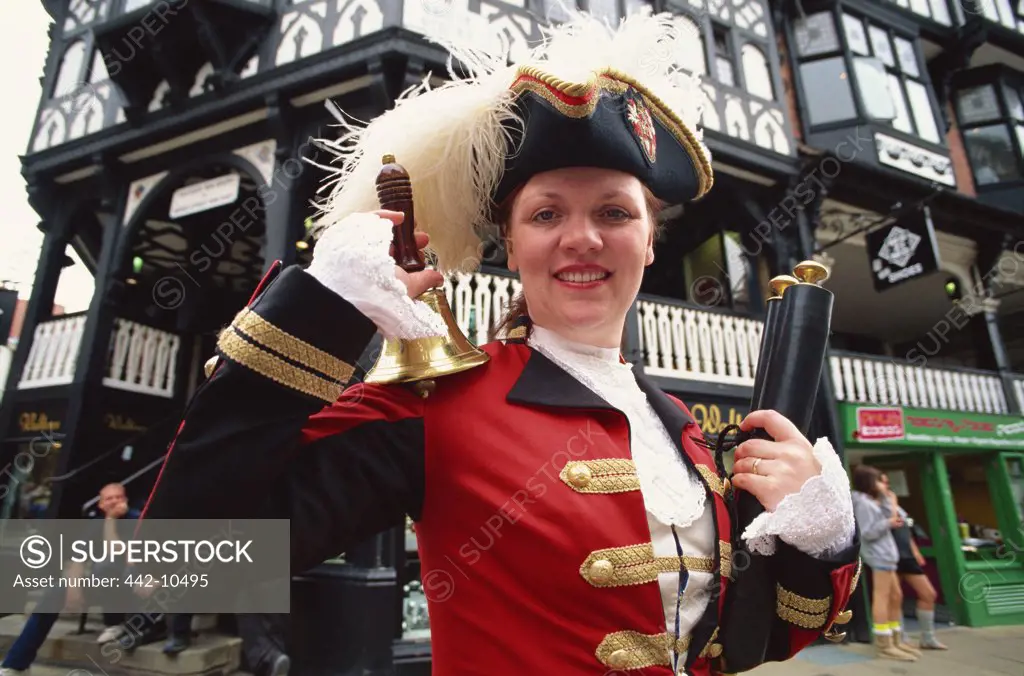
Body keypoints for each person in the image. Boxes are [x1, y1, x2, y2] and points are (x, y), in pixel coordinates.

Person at [139, 10, 860, 674]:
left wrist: (821, 533)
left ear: (647, 242)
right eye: (547, 214)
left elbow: (755, 640)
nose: (582, 237)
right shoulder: (436, 405)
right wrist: (321, 308)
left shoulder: (683, 433)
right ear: (511, 247)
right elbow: (176, 567)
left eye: (614, 211)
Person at [0, 483, 143, 675]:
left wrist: (111, 521)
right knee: (54, 593)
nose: (114, 501)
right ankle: (17, 664)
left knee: (105, 567)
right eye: (109, 498)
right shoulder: (95, 524)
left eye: (118, 497)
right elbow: (78, 558)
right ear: (100, 504)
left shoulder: (136, 520)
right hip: (101, 584)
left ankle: (115, 622)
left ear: (125, 500)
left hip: (129, 586)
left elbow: (118, 554)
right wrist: (73, 588)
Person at [851, 466, 916, 662]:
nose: (884, 485)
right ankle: (884, 644)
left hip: (887, 555)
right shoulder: (862, 503)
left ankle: (896, 638)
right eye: (880, 481)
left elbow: (891, 515)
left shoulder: (871, 501)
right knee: (882, 597)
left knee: (896, 596)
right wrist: (888, 523)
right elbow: (868, 532)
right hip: (879, 555)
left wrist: (889, 499)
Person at [880, 472, 947, 651]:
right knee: (894, 598)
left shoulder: (896, 506)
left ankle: (928, 636)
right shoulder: (875, 504)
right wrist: (892, 501)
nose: (886, 485)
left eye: (887, 481)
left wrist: (915, 550)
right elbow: (891, 522)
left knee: (928, 594)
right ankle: (899, 636)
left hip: (906, 554)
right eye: (882, 481)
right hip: (889, 554)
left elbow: (905, 529)